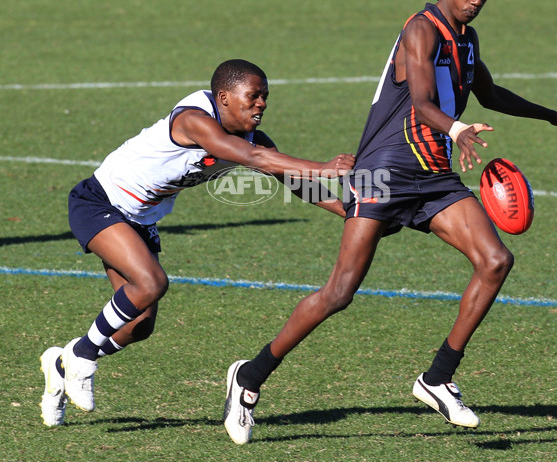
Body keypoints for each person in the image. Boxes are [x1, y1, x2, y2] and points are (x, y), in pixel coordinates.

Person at [223, 0, 557, 444]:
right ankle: (249, 378)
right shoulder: (420, 30)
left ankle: (438, 377)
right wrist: (458, 129)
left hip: (435, 176)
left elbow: (489, 91)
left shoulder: (467, 39)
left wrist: (550, 115)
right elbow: (420, 101)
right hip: (385, 171)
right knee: (339, 293)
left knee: (495, 260)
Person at [39, 59, 355, 427]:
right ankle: (82, 356)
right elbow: (256, 159)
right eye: (253, 96)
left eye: (265, 97)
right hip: (100, 202)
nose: (262, 104)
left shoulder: (252, 139)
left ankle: (60, 364)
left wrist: (349, 213)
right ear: (224, 96)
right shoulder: (194, 119)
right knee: (151, 283)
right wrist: (326, 165)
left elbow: (291, 178)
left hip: (139, 219)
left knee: (138, 324)